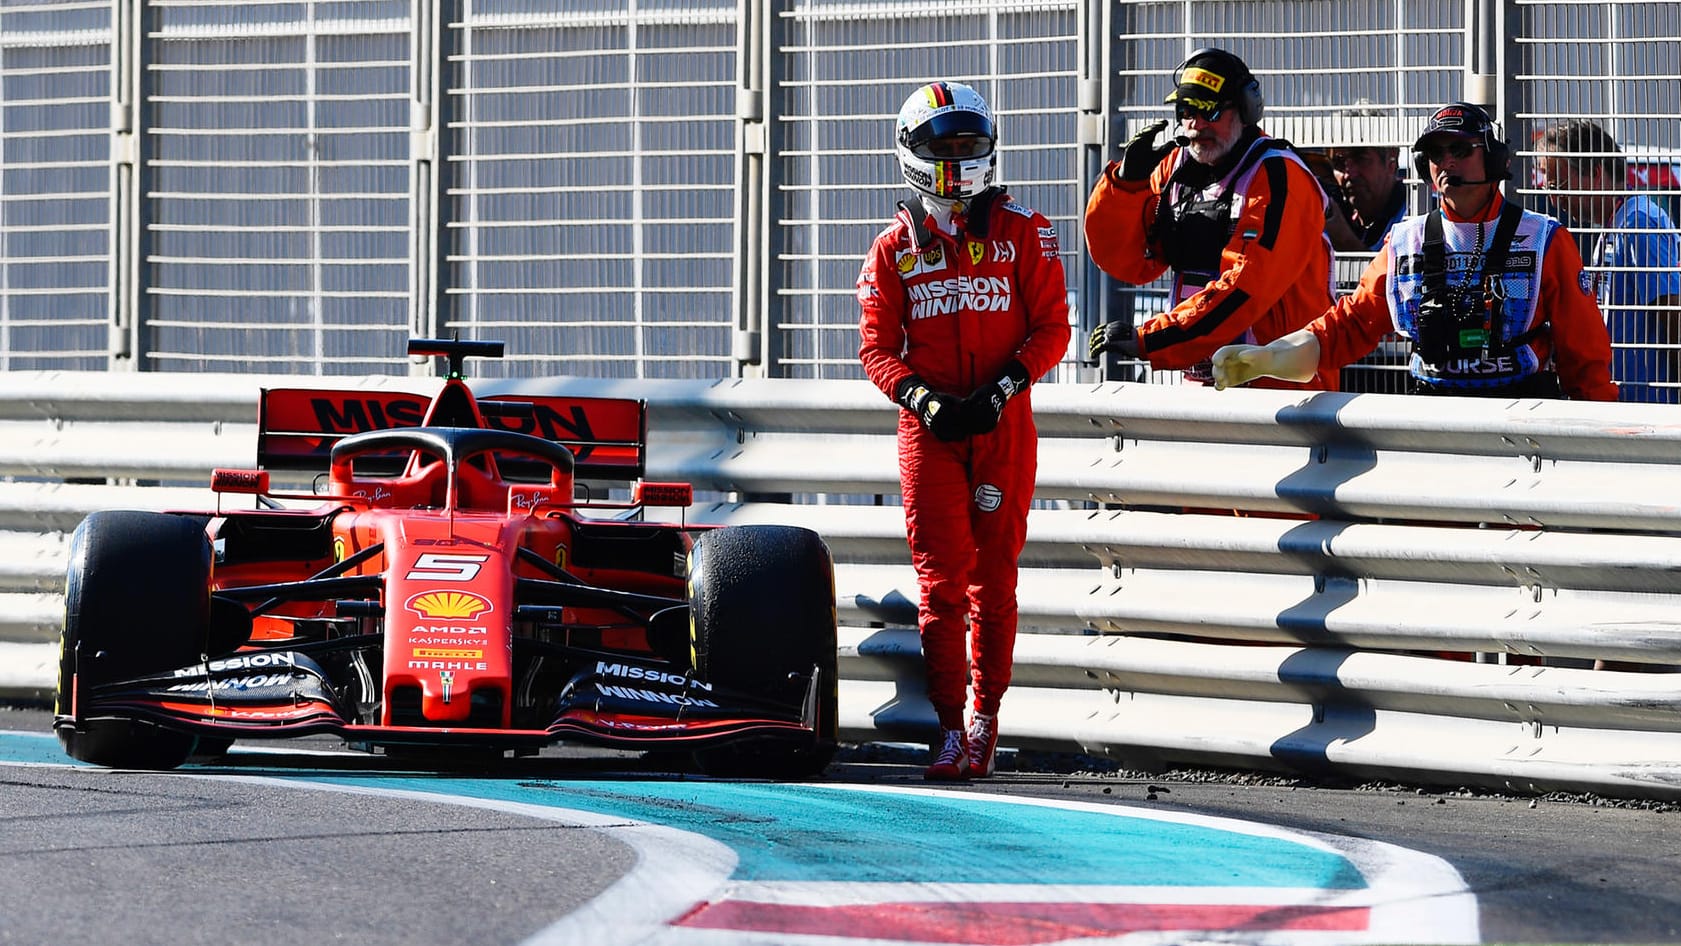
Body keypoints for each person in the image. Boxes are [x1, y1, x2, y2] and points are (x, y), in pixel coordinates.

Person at [857, 80, 1071, 781]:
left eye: (968, 143)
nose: (957, 158)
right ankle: (948, 726)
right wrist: (921, 398)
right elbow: (874, 349)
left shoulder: (1025, 231)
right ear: (913, 153)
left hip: (1003, 424)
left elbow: (1052, 329)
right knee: (940, 583)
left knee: (994, 581)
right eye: (942, 146)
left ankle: (986, 716)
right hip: (930, 432)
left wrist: (1006, 386)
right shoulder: (892, 249)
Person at [1210, 102, 1617, 402]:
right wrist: (1269, 357)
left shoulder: (1545, 239)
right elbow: (1349, 326)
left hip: (1521, 416)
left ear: (1493, 158)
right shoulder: (1406, 242)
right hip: (1432, 419)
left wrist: (1594, 445)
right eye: (1436, 154)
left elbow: (1586, 357)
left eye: (1460, 150)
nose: (1446, 163)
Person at [1084, 47, 1338, 390]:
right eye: (1186, 110)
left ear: (1247, 111)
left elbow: (1245, 289)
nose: (1195, 124)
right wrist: (1128, 186)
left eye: (1209, 110)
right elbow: (1126, 262)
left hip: (1282, 391)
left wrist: (1153, 339)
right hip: (1205, 384)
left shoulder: (1280, 177)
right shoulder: (1176, 169)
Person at [1537, 119, 1681, 403]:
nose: (1554, 199)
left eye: (1559, 184)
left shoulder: (1638, 224)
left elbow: (1673, 313)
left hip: (1652, 408)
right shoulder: (1618, 224)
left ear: (1596, 172)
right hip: (1630, 404)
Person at [1326, 143, 1408, 252]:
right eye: (1339, 163)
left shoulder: (1417, 212)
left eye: (1361, 159)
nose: (1349, 174)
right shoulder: (1339, 215)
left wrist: (1347, 243)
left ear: (1390, 163)